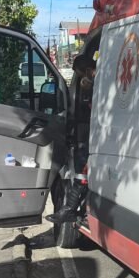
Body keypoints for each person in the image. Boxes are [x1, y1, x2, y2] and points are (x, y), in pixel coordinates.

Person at [46, 51, 95, 225]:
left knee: (84, 174)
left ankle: (70, 210)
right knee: (83, 174)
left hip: (92, 138)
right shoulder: (87, 86)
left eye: (81, 74)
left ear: (89, 70)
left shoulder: (96, 84)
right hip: (86, 138)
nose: (81, 79)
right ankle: (71, 210)